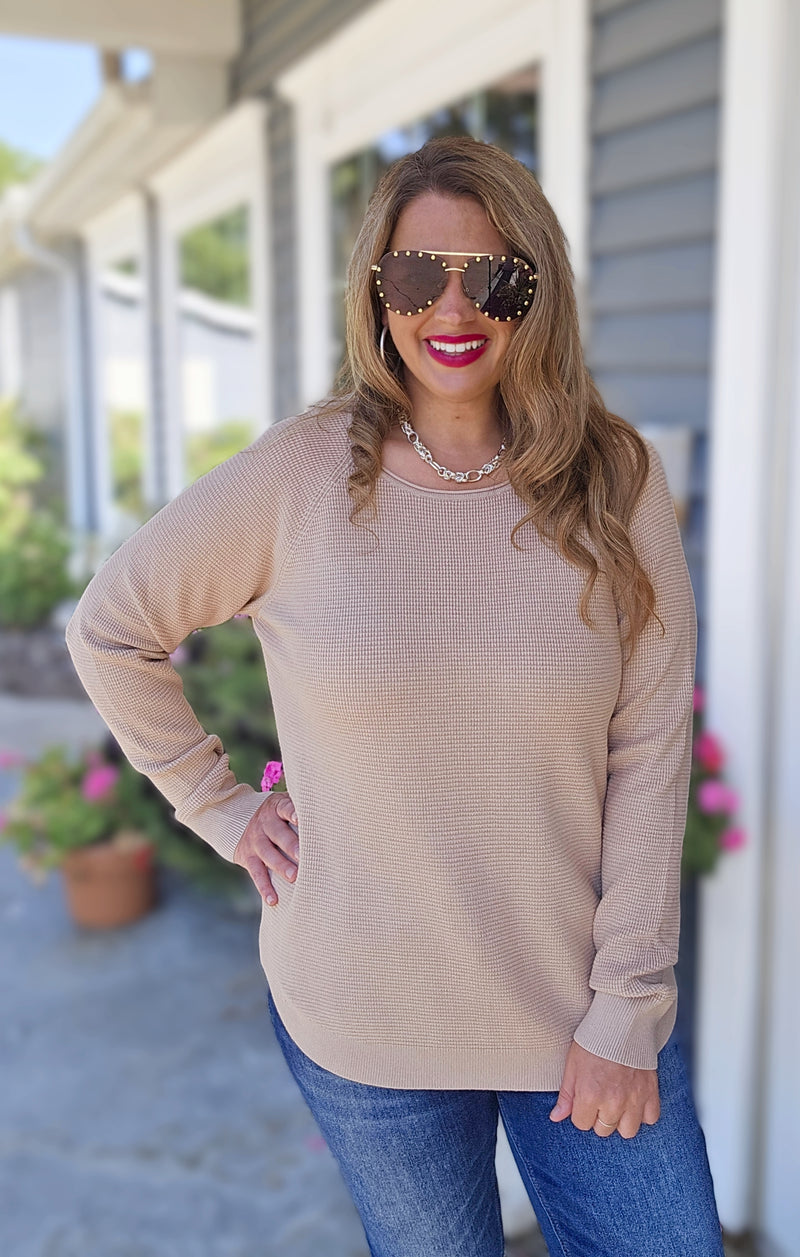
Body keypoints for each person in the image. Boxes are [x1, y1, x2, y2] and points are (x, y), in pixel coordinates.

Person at [66, 136, 725, 1256]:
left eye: (492, 275)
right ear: (377, 290)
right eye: (418, 274)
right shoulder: (298, 475)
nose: (451, 307)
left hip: (582, 1007)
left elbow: (651, 745)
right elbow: (111, 627)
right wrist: (217, 804)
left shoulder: (618, 481)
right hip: (365, 1018)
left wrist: (628, 1001)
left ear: (538, 290)